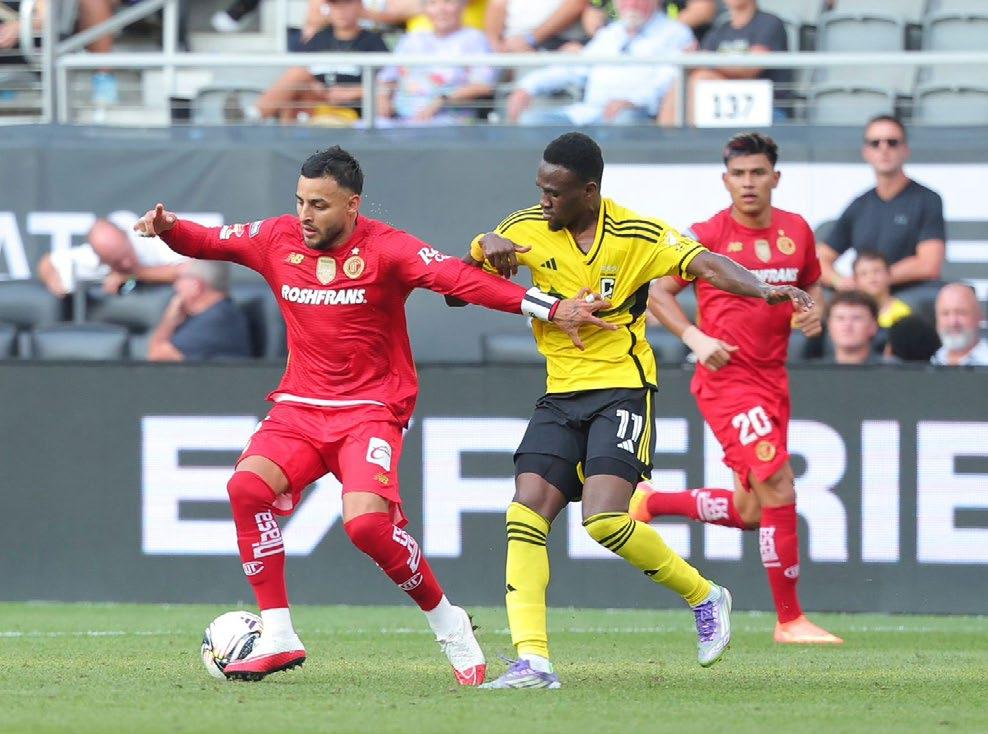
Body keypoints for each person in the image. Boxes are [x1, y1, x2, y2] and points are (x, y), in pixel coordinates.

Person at [133, 146, 610, 684]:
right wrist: (169, 228)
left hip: (370, 410)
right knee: (245, 489)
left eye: (319, 205)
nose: (305, 215)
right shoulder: (276, 238)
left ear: (352, 205)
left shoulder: (388, 249)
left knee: (365, 526)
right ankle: (279, 634)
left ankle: (448, 622)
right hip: (300, 406)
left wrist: (550, 307)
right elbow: (208, 241)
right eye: (300, 201)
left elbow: (461, 280)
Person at [450, 132, 814, 688]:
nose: (543, 200)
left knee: (603, 520)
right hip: (560, 393)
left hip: (622, 388)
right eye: (540, 188)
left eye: (555, 192)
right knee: (524, 514)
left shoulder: (636, 234)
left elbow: (707, 264)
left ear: (589, 190)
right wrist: (481, 248)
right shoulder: (522, 228)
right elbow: (455, 292)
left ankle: (705, 595)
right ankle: (534, 662)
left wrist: (765, 290)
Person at [634, 132, 842, 645]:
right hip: (727, 381)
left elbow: (811, 283)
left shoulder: (797, 230)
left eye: (758, 173)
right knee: (780, 486)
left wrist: (812, 313)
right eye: (739, 174)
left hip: (773, 380)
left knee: (752, 511)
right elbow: (657, 291)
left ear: (775, 177)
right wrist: (694, 337)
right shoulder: (707, 235)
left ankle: (651, 504)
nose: (748, 183)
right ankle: (790, 620)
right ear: (725, 180)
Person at [506, 0, 695, 126]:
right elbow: (575, 68)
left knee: (624, 121)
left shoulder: (676, 33)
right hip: (588, 113)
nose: (631, 4)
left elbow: (669, 80)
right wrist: (527, 87)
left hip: (635, 114)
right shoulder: (611, 33)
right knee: (531, 121)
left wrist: (633, 101)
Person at [817, 115, 946, 291]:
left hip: (910, 297)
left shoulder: (927, 200)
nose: (884, 149)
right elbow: (819, 258)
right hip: (865, 302)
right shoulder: (859, 205)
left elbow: (929, 264)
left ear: (905, 150)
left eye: (892, 142)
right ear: (866, 152)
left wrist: (873, 279)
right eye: (875, 143)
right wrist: (839, 281)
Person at [658, 0, 791, 126]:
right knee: (680, 82)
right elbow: (701, 60)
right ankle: (665, 137)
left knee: (701, 78)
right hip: (724, 107)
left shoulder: (769, 22)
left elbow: (751, 67)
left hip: (765, 106)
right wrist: (692, 59)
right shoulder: (720, 30)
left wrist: (707, 61)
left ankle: (692, 139)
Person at [256, 0, 388, 124]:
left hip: (353, 108)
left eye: (346, 5)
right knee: (297, 75)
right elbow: (301, 72)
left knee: (297, 75)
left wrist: (351, 93)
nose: (340, 12)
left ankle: (256, 116)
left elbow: (387, 83)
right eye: (335, 6)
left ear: (359, 6)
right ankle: (260, 116)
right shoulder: (318, 38)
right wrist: (315, 86)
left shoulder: (373, 41)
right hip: (316, 101)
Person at [376, 0, 496, 126]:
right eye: (433, 3)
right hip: (399, 119)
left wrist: (442, 100)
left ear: (462, 6)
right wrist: (382, 99)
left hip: (449, 121)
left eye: (448, 2)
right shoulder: (412, 39)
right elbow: (386, 78)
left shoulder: (475, 39)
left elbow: (483, 85)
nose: (441, 9)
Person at [36, 218, 185, 298]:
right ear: (101, 258)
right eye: (116, 262)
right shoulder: (95, 256)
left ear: (126, 236)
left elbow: (192, 268)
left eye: (126, 254)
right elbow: (48, 262)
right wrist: (54, 280)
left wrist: (132, 274)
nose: (126, 263)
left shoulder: (154, 238)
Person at [147, 260, 252, 362]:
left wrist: (169, 320)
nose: (175, 286)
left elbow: (157, 358)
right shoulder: (211, 314)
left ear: (196, 285)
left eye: (179, 278)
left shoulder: (216, 320)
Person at [579, 0, 716, 44]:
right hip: (619, 45)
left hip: (669, 46)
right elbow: (592, 13)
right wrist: (605, 42)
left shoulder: (674, 33)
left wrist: (658, 35)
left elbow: (703, 9)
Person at [485, 0, 586, 52]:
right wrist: (496, 45)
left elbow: (577, 4)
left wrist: (531, 39)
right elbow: (497, 6)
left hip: (562, 45)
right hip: (510, 46)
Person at [931, 282, 988, 366]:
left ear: (979, 316)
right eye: (945, 314)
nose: (953, 322)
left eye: (961, 313)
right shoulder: (932, 361)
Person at [852, 250, 911, 329]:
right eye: (864, 274)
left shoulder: (902, 313)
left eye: (877, 271)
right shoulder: (850, 314)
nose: (871, 277)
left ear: (889, 274)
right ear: (855, 281)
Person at [825, 290, 883, 365]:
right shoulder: (815, 370)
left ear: (873, 326)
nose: (847, 326)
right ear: (829, 326)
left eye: (856, 318)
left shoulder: (893, 369)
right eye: (840, 318)